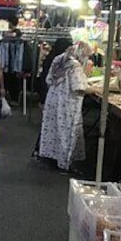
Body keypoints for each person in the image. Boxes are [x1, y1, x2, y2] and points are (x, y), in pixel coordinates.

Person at [38, 42, 92, 172]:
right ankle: (64, 162)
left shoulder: (59, 58)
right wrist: (96, 89)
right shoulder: (75, 66)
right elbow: (79, 87)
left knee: (53, 129)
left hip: (53, 99)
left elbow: (48, 79)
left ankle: (51, 157)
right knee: (66, 132)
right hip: (68, 102)